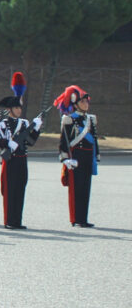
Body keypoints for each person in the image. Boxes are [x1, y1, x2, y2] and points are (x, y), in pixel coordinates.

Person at [0, 72, 44, 230]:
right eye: (16, 107)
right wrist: (6, 143)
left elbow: (31, 142)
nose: (19, 110)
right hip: (9, 160)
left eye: (20, 107)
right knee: (9, 190)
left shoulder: (25, 123)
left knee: (20, 189)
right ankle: (9, 221)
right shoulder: (2, 123)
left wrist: (37, 128)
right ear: (9, 109)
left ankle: (17, 220)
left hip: (22, 159)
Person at [56, 84, 98, 228]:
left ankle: (83, 218)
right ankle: (76, 218)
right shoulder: (69, 119)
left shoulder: (90, 120)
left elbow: (94, 139)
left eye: (87, 101)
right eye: (82, 102)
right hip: (76, 157)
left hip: (87, 157)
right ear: (75, 104)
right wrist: (65, 158)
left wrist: (96, 155)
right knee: (76, 189)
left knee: (86, 188)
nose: (85, 104)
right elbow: (63, 142)